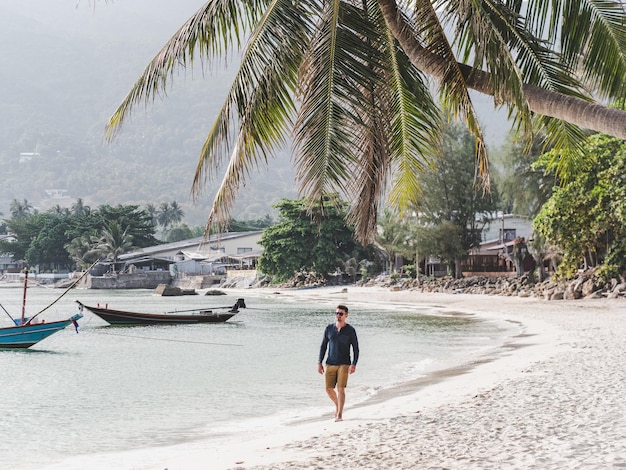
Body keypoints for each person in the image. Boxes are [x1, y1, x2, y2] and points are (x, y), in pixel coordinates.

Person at [317, 304, 359, 422]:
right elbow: (323, 346)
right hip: (330, 363)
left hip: (344, 364)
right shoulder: (329, 329)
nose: (338, 316)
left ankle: (339, 414)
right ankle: (337, 405)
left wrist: (354, 364)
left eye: (341, 314)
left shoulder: (350, 330)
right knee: (328, 389)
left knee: (341, 389)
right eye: (337, 313)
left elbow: (356, 348)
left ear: (346, 315)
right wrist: (319, 362)